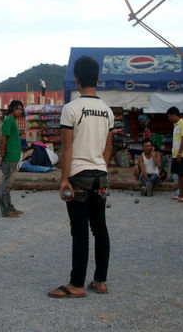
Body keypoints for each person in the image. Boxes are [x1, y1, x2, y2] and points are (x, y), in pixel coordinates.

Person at [49, 55, 114, 298]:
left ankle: (76, 284)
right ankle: (100, 281)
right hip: (100, 175)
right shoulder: (108, 111)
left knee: (80, 231)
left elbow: (67, 148)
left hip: (78, 176)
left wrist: (64, 179)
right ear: (97, 79)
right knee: (100, 229)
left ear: (76, 79)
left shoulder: (71, 109)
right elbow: (108, 149)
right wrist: (101, 168)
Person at [0, 100, 25, 217]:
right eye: (18, 109)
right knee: (6, 185)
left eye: (21, 109)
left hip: (13, 156)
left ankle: (10, 207)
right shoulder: (8, 121)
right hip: (9, 157)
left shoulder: (12, 120)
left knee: (9, 184)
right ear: (12, 108)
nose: (20, 111)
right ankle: (6, 210)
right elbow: (4, 139)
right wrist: (2, 154)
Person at [167, 106, 183, 202]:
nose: (169, 119)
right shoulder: (176, 125)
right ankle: (180, 194)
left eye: (169, 117)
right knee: (179, 175)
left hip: (182, 154)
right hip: (175, 154)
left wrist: (180, 153)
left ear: (174, 115)